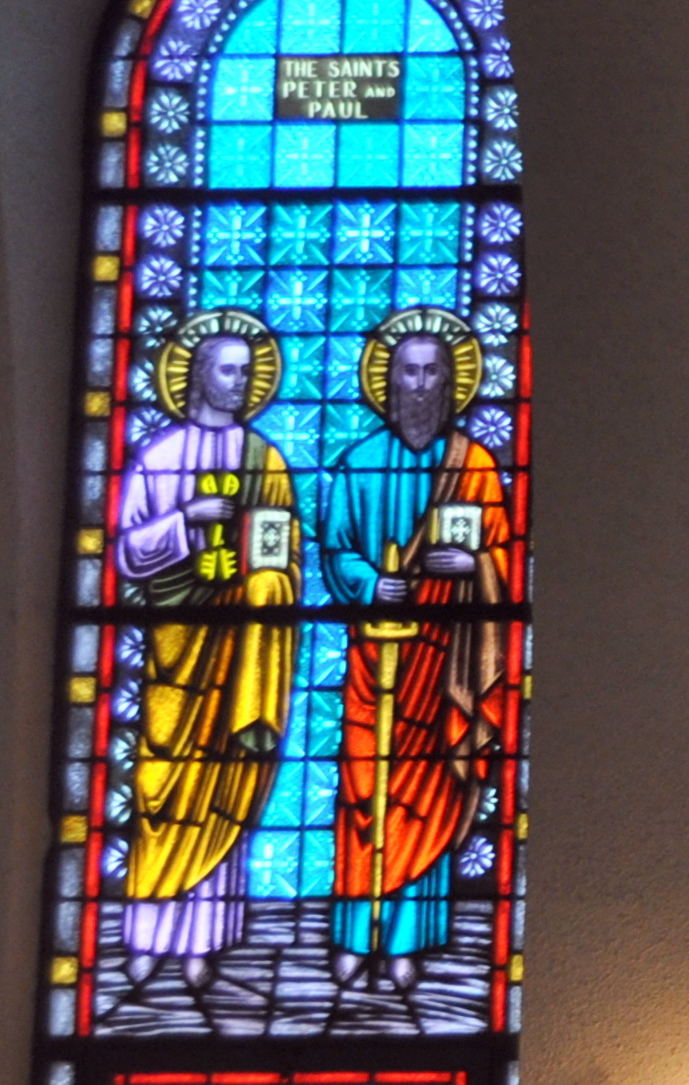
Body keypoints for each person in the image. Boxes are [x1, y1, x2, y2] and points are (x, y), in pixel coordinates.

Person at [316, 308, 518, 993]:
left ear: (450, 382)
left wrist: (473, 566)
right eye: (410, 370)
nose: (422, 383)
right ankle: (354, 933)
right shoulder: (357, 465)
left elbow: (500, 556)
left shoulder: (476, 466)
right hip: (374, 658)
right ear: (390, 381)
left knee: (430, 794)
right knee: (363, 792)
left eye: (434, 371)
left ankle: (406, 941)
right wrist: (373, 582)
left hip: (445, 660)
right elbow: (335, 548)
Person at [113, 309, 298, 996]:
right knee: (162, 788)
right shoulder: (159, 458)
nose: (241, 382)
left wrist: (264, 577)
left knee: (224, 789)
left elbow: (284, 554)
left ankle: (203, 943)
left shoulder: (266, 461)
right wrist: (186, 522)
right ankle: (147, 933)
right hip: (177, 643)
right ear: (197, 376)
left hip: (239, 650)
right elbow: (127, 554)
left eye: (249, 372)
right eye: (229, 370)